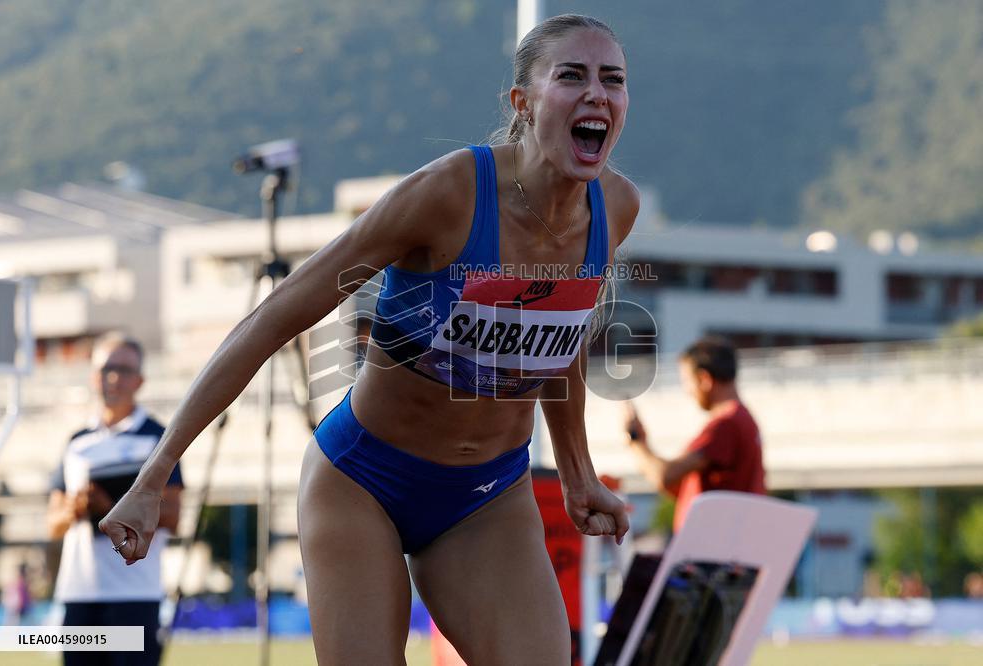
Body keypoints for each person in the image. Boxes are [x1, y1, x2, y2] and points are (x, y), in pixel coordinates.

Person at [101, 14, 639, 664]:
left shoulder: (615, 208)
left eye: (612, 80)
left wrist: (579, 474)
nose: (596, 95)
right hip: (363, 480)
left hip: (487, 494)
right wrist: (154, 475)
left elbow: (560, 335)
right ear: (523, 103)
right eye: (572, 76)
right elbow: (273, 318)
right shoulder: (449, 194)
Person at [47, 333, 183, 666]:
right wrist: (76, 507)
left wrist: (109, 508)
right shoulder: (76, 442)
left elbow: (173, 515)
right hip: (80, 593)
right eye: (106, 368)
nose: (113, 377)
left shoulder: (157, 437)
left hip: (135, 593)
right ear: (93, 375)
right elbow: (52, 523)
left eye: (123, 369)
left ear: (140, 380)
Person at [625, 336, 766, 534]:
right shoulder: (743, 420)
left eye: (686, 381)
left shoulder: (726, 424)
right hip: (732, 539)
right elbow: (679, 485)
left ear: (704, 379)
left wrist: (636, 442)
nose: (687, 390)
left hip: (713, 545)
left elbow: (665, 476)